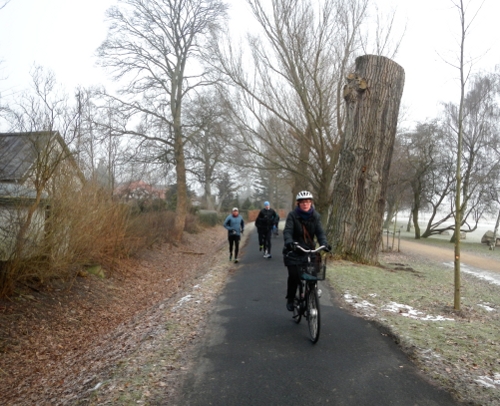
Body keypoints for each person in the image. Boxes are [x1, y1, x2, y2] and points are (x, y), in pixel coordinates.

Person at [282, 191, 330, 311]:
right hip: (294, 250)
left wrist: (324, 243)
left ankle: (311, 292)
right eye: (303, 202)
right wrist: (289, 242)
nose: (305, 204)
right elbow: (288, 231)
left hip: (309, 250)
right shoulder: (293, 215)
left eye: (308, 202)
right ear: (298, 203)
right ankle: (291, 298)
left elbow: (320, 232)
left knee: (313, 274)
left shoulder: (316, 216)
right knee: (294, 276)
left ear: (311, 203)